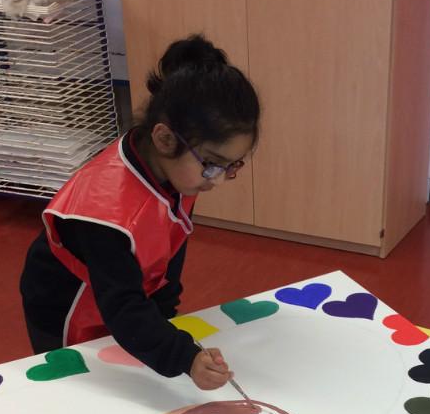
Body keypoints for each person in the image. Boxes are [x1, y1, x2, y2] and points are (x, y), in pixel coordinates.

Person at [19, 34, 260, 390]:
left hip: (119, 298)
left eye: (232, 166)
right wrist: (183, 355)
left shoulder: (177, 171)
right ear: (165, 139)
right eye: (213, 164)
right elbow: (123, 307)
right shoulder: (105, 211)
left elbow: (169, 249)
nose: (220, 179)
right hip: (66, 306)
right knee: (82, 391)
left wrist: (163, 319)